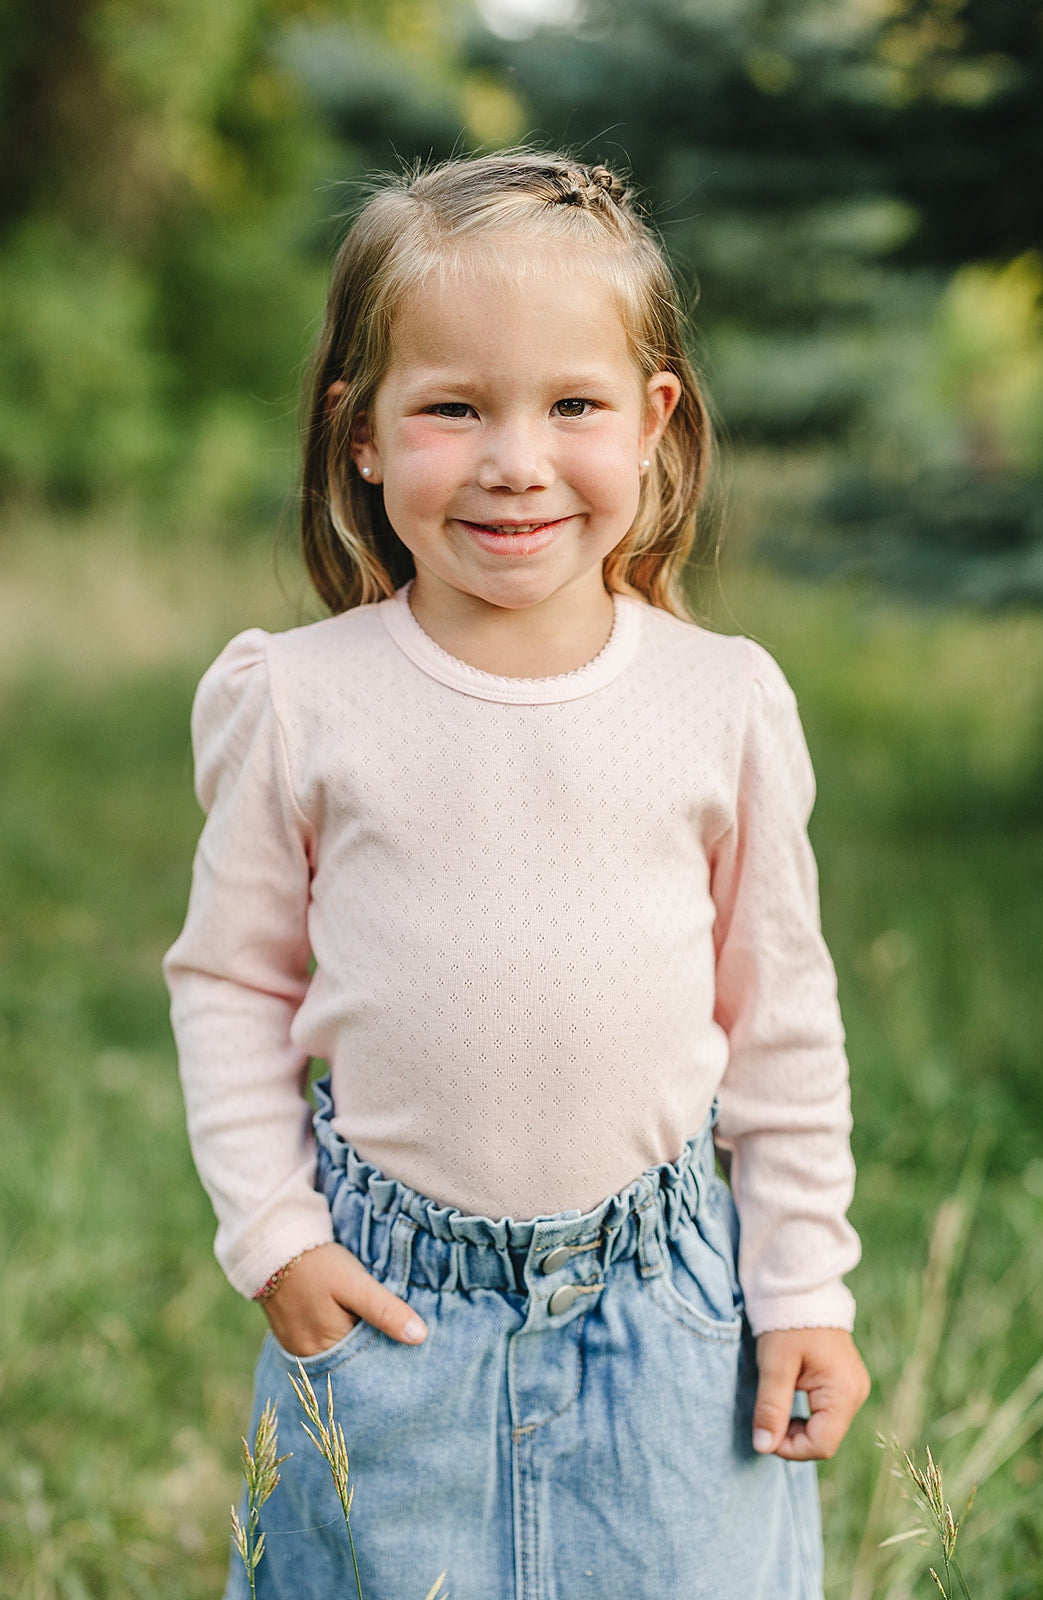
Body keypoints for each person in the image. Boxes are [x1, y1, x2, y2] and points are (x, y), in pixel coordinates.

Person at [164, 149, 869, 1600]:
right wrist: (278, 1237)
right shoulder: (298, 699)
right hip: (390, 1316)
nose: (514, 459)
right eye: (453, 407)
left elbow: (781, 1019)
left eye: (572, 405)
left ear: (655, 422)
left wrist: (804, 1285)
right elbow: (232, 981)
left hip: (671, 1314)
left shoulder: (719, 699)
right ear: (360, 435)